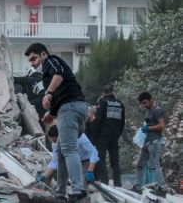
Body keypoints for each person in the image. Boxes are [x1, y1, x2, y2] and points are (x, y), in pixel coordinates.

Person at [25, 43, 89, 201]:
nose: (33, 63)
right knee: (60, 152)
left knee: (68, 149)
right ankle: (60, 192)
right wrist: (51, 113)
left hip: (71, 108)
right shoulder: (48, 75)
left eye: (34, 58)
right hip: (75, 108)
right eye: (30, 61)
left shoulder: (51, 60)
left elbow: (59, 74)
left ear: (43, 54)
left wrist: (48, 93)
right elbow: (62, 93)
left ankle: (77, 190)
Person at [39, 125, 99, 199]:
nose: (54, 142)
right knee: (50, 175)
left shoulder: (78, 136)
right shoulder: (55, 143)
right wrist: (43, 176)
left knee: (81, 187)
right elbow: (55, 161)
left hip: (84, 161)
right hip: (68, 160)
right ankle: (46, 196)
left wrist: (90, 170)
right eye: (52, 141)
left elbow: (93, 152)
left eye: (55, 140)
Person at [135, 92, 169, 195]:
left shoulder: (157, 110)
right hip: (147, 142)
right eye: (142, 104)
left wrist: (148, 128)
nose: (144, 105)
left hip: (156, 141)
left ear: (151, 100)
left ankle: (163, 188)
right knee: (139, 165)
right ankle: (138, 187)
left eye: (145, 102)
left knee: (155, 165)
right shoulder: (148, 112)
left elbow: (162, 126)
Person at [94, 84, 125, 187]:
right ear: (113, 91)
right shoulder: (120, 104)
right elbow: (122, 122)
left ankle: (105, 182)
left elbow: (98, 120)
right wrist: (118, 134)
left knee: (101, 158)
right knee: (115, 160)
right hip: (115, 135)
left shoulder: (102, 103)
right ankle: (117, 183)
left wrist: (95, 135)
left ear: (104, 92)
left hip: (103, 135)